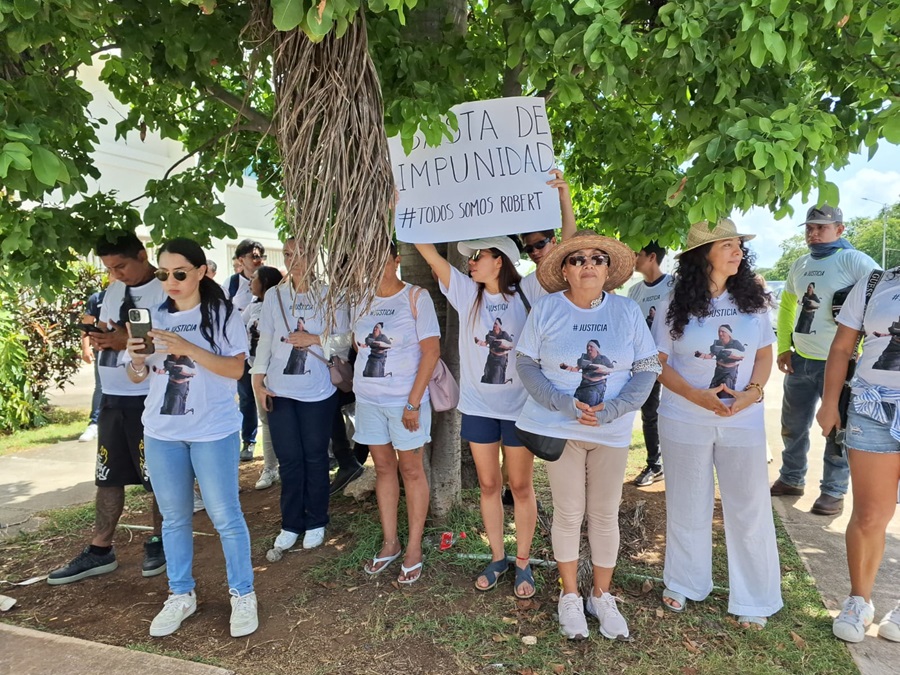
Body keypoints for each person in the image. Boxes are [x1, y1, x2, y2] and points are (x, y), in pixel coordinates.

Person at [516, 230, 659, 640]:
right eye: (577, 259)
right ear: (564, 270)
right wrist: (561, 403)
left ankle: (601, 595)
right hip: (561, 427)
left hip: (611, 430)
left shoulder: (627, 310)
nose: (588, 264)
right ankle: (569, 596)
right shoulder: (547, 309)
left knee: (603, 513)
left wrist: (614, 408)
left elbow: (647, 367)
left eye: (597, 258)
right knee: (568, 512)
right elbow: (525, 363)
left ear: (608, 268)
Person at [653, 218, 782, 630]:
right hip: (683, 416)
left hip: (742, 420)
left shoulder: (754, 298)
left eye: (738, 243)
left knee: (748, 506)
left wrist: (753, 393)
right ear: (702, 255)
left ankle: (755, 597)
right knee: (688, 501)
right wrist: (695, 395)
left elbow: (764, 354)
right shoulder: (675, 300)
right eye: (726, 244)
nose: (737, 250)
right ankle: (685, 581)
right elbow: (658, 362)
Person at [124, 237, 257, 638]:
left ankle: (243, 593)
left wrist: (187, 346)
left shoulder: (223, 316)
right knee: (174, 517)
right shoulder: (152, 317)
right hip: (163, 431)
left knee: (225, 516)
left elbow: (236, 371)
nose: (171, 281)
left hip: (212, 430)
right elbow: (138, 377)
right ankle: (181, 593)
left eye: (179, 273)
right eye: (164, 274)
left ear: (201, 271)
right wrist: (134, 359)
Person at [415, 235, 538, 599]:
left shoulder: (527, 292)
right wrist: (403, 210)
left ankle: (523, 561)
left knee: (519, 487)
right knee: (488, 486)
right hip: (479, 408)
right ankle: (498, 557)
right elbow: (429, 254)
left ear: (499, 260)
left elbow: (565, 252)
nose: (470, 262)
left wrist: (563, 199)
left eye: (478, 256)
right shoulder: (468, 294)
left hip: (520, 409)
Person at [49, 232, 166, 585]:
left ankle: (163, 542)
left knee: (158, 478)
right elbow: (112, 329)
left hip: (150, 396)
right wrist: (98, 334)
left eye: (121, 266)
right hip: (113, 397)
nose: (116, 274)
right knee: (107, 475)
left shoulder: (165, 289)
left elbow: (165, 341)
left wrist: (120, 340)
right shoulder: (114, 289)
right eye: (109, 268)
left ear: (143, 255)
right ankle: (101, 549)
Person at [771, 205, 879, 516]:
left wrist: (865, 343)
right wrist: (784, 345)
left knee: (836, 428)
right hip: (800, 358)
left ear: (840, 230)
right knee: (792, 426)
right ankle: (791, 478)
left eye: (821, 227)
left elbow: (879, 297)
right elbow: (787, 306)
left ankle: (833, 491)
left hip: (839, 363)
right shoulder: (800, 264)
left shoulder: (854, 260)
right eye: (809, 228)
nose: (814, 234)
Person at [816, 266, 900, 643]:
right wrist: (829, 402)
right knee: (868, 514)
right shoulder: (876, 282)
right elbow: (841, 346)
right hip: (871, 405)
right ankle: (859, 600)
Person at [251, 237, 351, 553]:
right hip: (279, 389)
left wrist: (314, 338)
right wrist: (257, 378)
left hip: (317, 391)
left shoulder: (330, 295)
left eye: (302, 253)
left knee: (315, 456)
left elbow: (345, 341)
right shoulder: (274, 296)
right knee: (290, 459)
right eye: (289, 254)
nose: (295, 260)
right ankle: (291, 523)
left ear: (315, 255)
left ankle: (317, 520)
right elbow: (265, 339)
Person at [354, 243, 441, 584]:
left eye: (379, 259)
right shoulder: (360, 300)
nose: (373, 266)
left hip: (405, 402)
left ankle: (414, 547)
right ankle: (390, 542)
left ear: (395, 260)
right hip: (369, 401)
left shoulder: (415, 297)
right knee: (384, 469)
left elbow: (431, 352)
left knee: (412, 470)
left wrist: (412, 403)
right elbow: (355, 344)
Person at [627, 241, 674, 486]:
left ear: (652, 257)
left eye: (637, 253)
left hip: (673, 362)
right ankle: (655, 465)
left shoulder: (674, 286)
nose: (633, 257)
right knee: (649, 413)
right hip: (644, 362)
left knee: (676, 411)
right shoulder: (634, 291)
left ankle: (677, 462)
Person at [242, 265, 284, 490]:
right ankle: (270, 468)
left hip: (280, 372)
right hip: (256, 370)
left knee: (286, 419)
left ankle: (288, 466)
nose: (250, 281)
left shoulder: (282, 304)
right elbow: (239, 328)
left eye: (254, 278)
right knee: (266, 420)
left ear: (266, 281)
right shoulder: (252, 306)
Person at [224, 239, 266, 461]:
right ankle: (248, 441)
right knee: (246, 397)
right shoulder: (230, 285)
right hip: (242, 353)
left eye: (260, 256)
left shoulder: (271, 279)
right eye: (253, 256)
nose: (258, 260)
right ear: (241, 260)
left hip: (267, 352)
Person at [518, 170, 577, 304]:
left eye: (540, 244)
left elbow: (571, 241)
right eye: (528, 249)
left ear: (554, 241)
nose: (535, 252)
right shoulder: (527, 283)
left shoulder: (571, 269)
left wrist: (564, 196)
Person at [78, 287, 106, 443]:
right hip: (103, 350)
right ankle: (94, 423)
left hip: (127, 350)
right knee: (101, 386)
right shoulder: (97, 298)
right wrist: (86, 348)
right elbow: (87, 325)